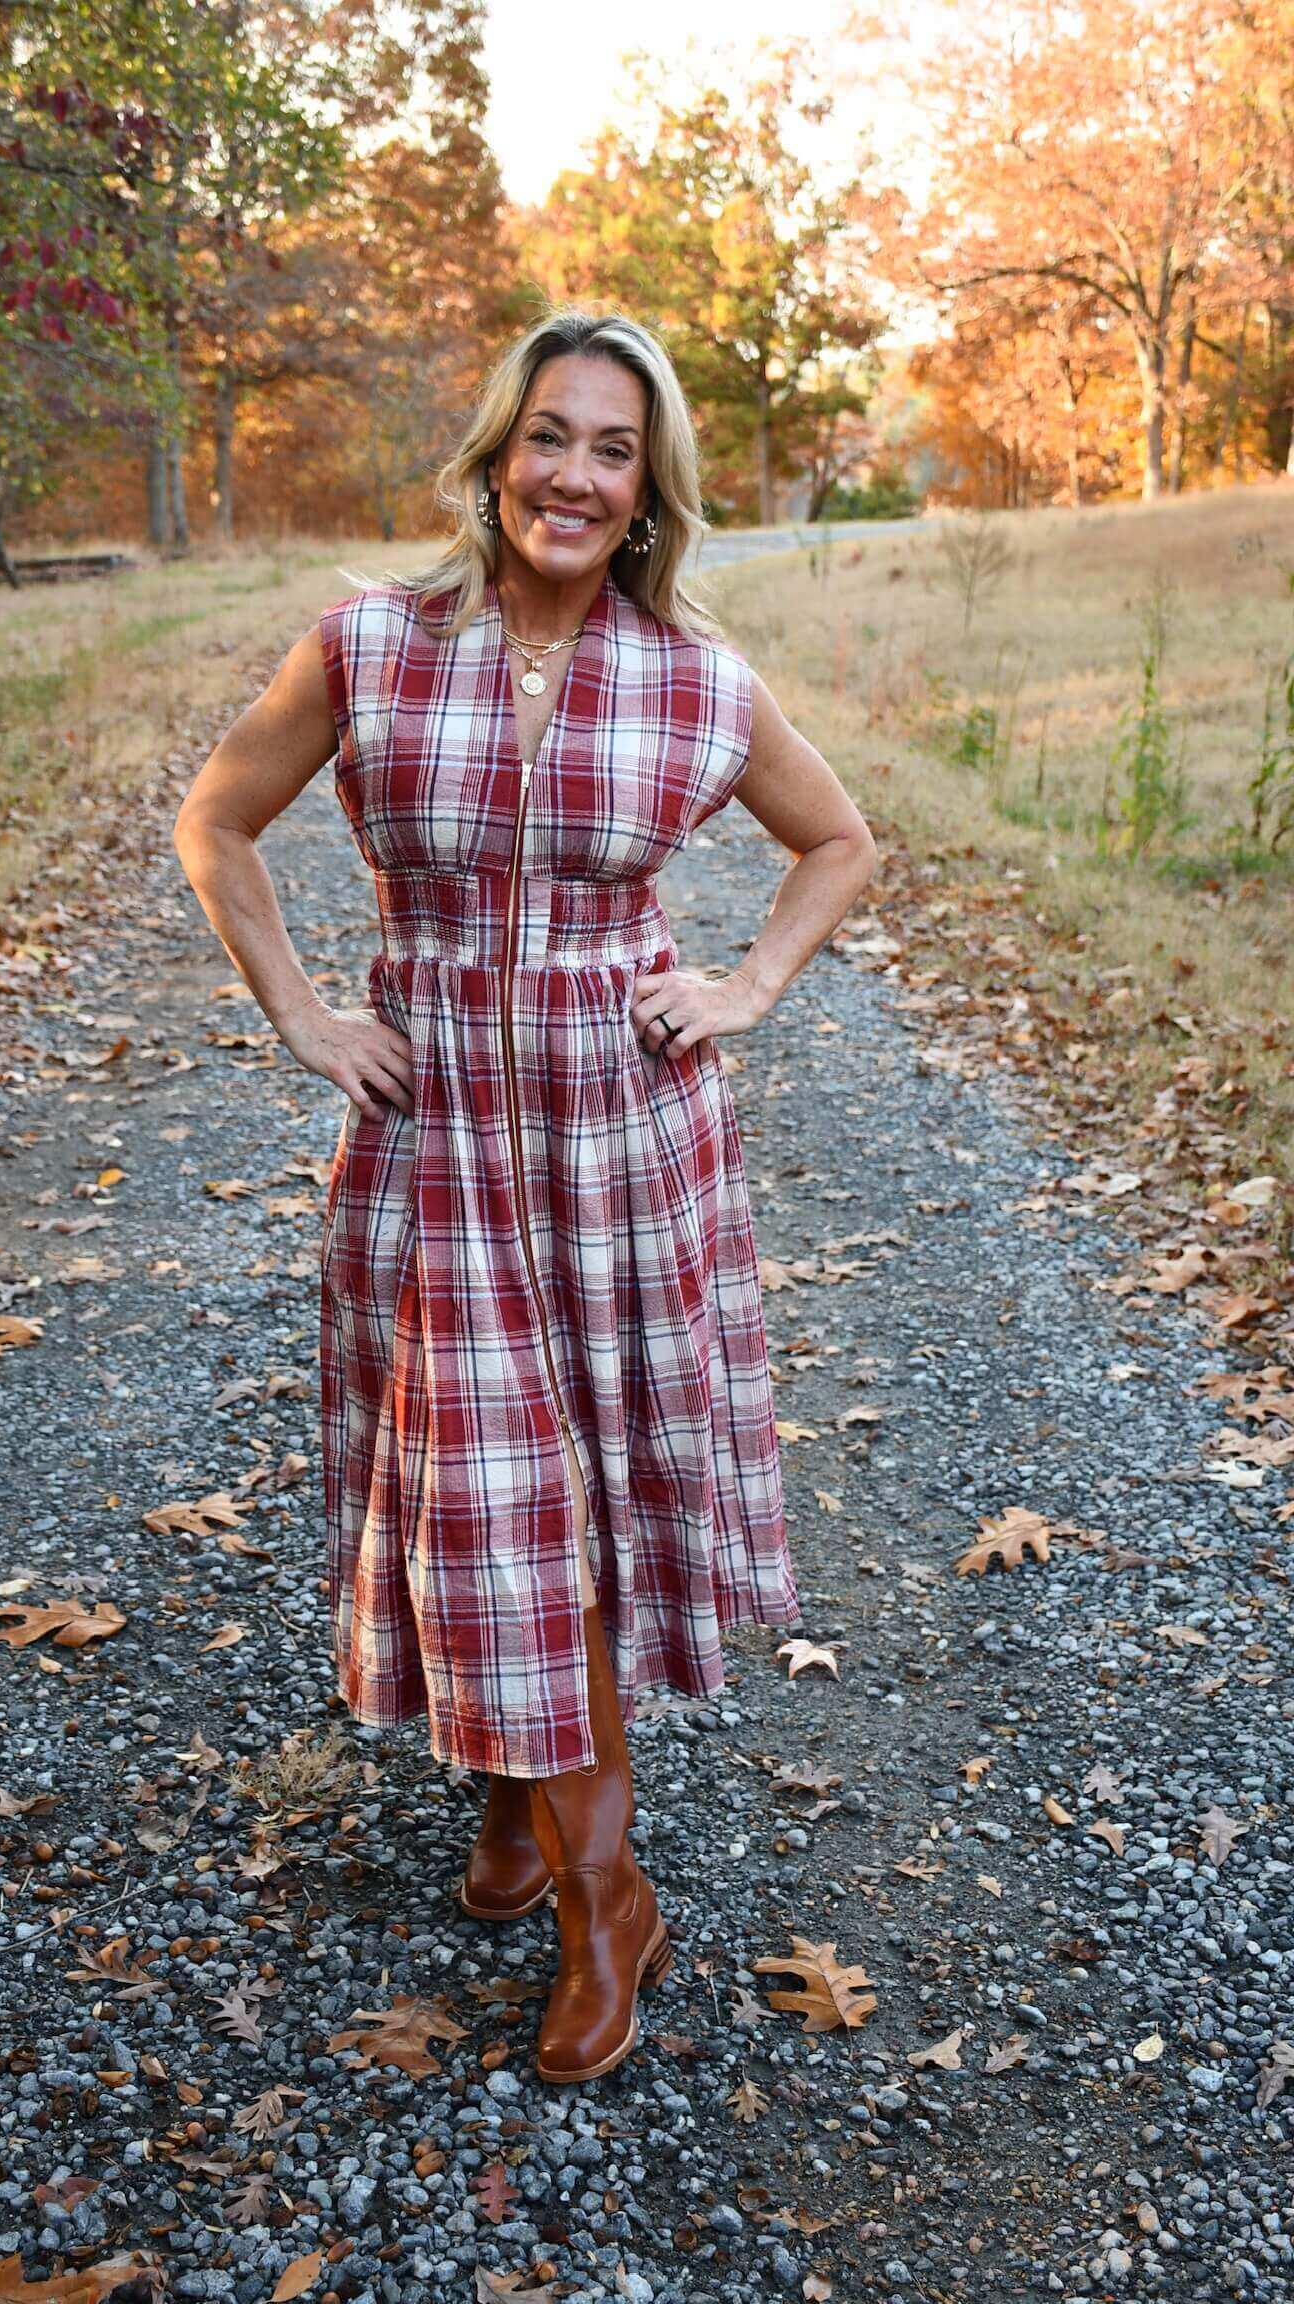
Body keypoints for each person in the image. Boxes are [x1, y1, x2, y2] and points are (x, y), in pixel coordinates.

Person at [172, 306, 878, 2084]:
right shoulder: (372, 647)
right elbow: (219, 820)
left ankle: (544, 1840)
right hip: (435, 1136)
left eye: (612, 450)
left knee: (575, 1499)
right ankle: (602, 1884)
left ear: (649, 491)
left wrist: (741, 988)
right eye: (548, 436)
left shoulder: (695, 679)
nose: (573, 474)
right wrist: (309, 1012)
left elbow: (842, 840)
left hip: (625, 1144)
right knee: (486, 1495)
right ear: (496, 454)